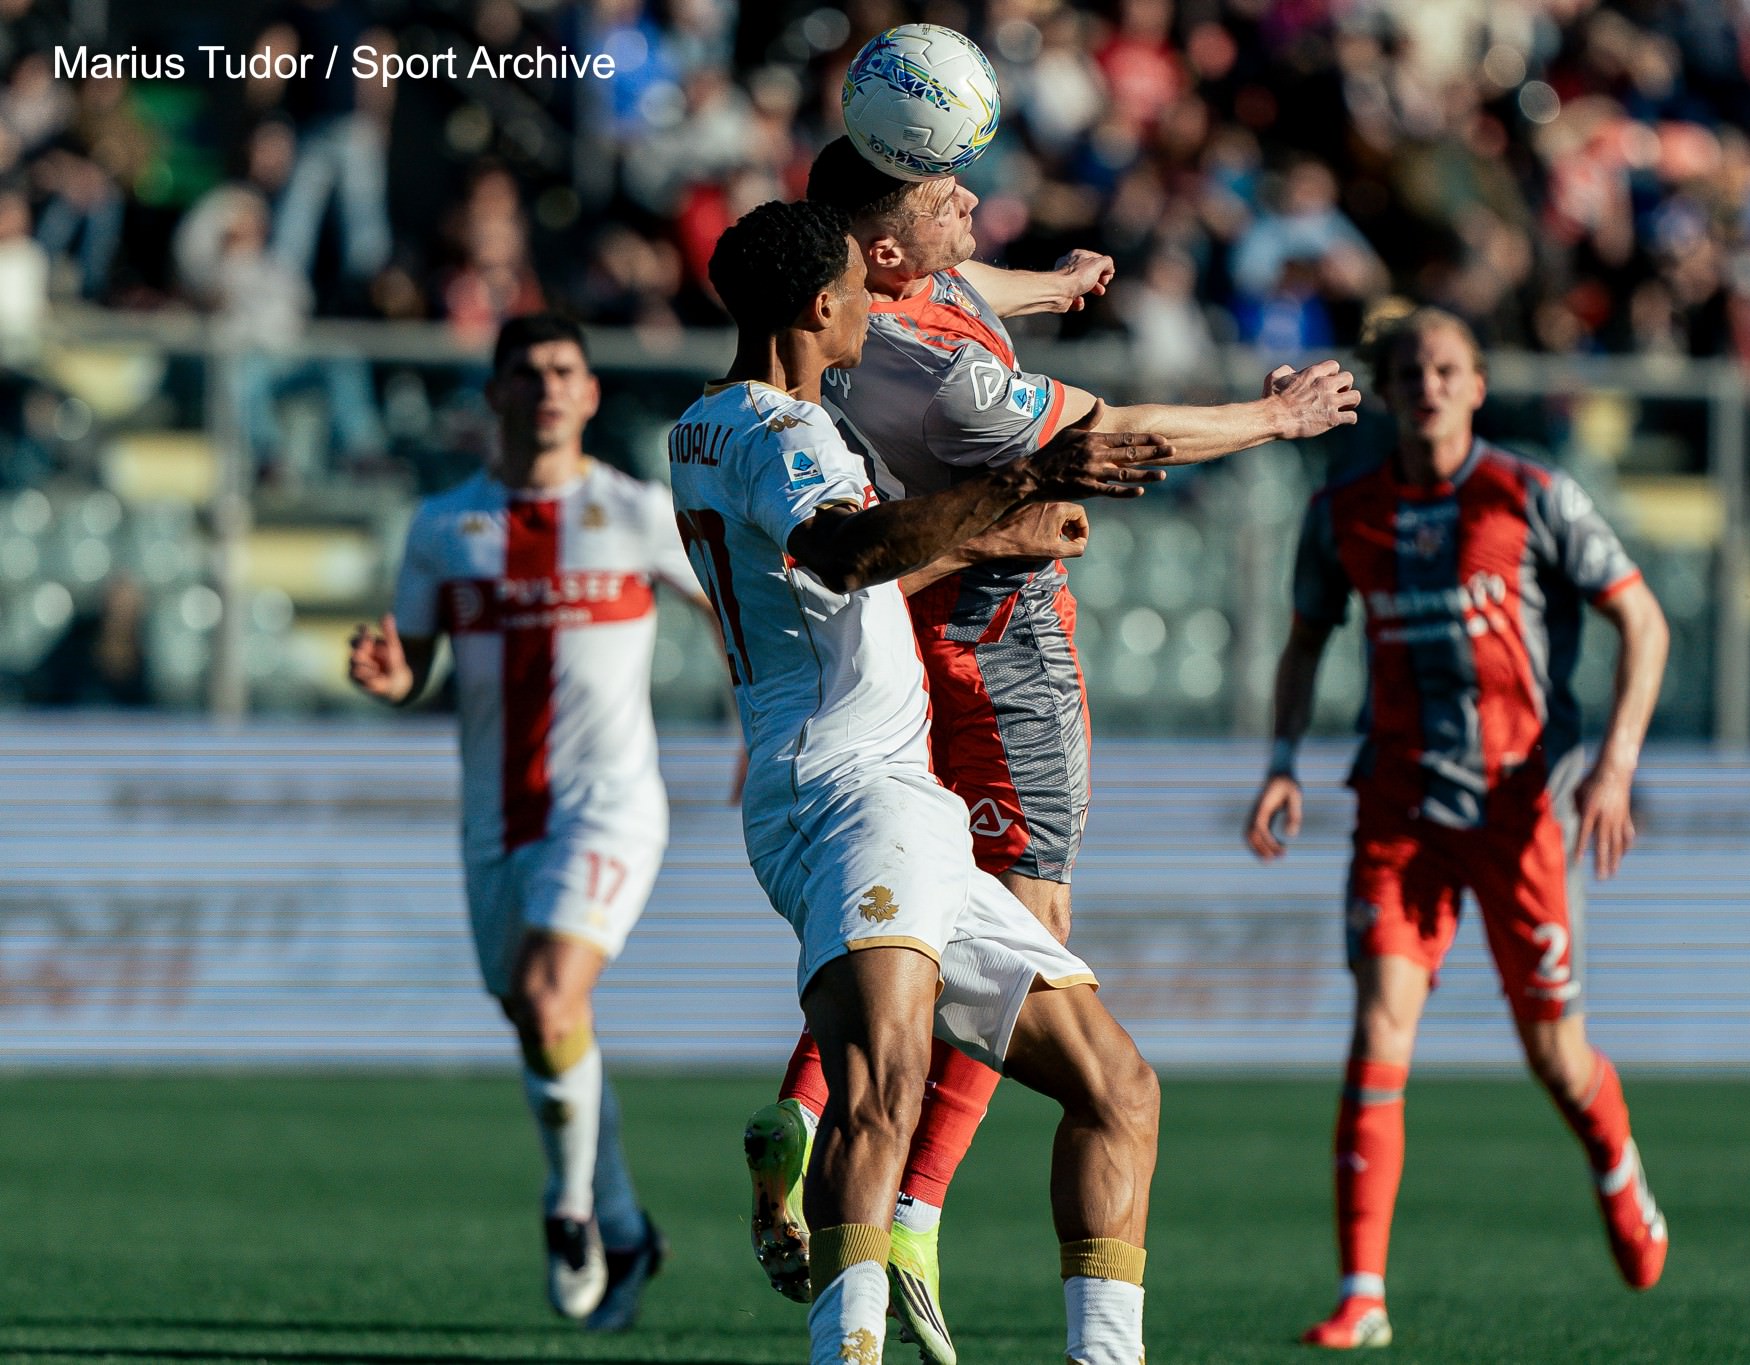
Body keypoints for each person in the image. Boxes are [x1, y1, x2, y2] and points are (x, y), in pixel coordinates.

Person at [746, 135, 1361, 1364]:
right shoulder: (944, 377)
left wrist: (1057, 285)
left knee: (907, 922)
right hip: (1005, 648)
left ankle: (806, 1109)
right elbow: (1122, 433)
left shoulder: (870, 323)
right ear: (880, 254)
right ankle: (912, 1212)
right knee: (1034, 934)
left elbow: (970, 287)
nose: (968, 200)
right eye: (941, 195)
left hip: (901, 648)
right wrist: (1275, 417)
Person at [673, 197, 1166, 1365]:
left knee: (1116, 1087)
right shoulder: (787, 437)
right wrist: (1024, 476)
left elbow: (835, 573)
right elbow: (845, 551)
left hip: (897, 806)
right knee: (882, 1088)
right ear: (818, 306)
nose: (874, 310)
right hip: (848, 798)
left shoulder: (708, 425)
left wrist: (986, 542)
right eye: (858, 289)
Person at [1242, 304, 1673, 1350]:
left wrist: (1611, 768)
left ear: (1476, 385)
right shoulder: (1343, 511)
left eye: (1446, 369)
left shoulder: (1530, 495)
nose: (1427, 386)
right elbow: (1303, 643)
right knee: (1377, 1033)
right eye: (1409, 371)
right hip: (1396, 809)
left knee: (1554, 1056)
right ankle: (1361, 1294)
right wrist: (1282, 762)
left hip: (1518, 813)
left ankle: (1616, 1167)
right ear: (1385, 392)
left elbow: (1641, 619)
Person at [346, 313, 707, 1333]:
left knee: (551, 999)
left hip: (610, 807)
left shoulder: (635, 513)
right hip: (496, 819)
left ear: (590, 395)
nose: (548, 387)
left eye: (565, 372)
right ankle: (626, 1224)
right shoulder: (442, 527)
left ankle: (569, 1209)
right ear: (495, 395)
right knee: (544, 1026)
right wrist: (392, 679)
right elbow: (413, 664)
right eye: (527, 373)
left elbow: (735, 616)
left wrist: (761, 725)